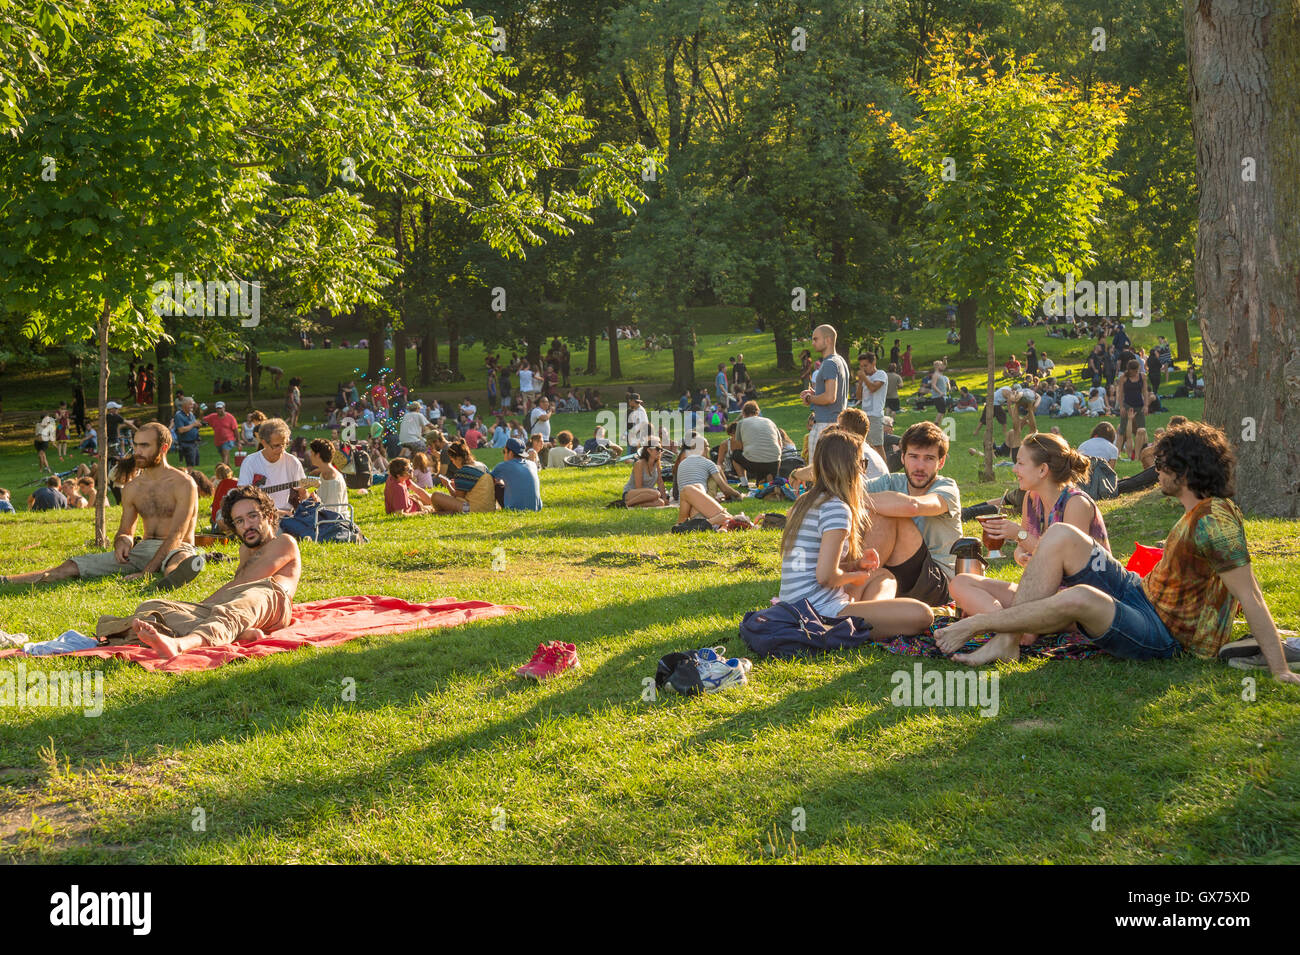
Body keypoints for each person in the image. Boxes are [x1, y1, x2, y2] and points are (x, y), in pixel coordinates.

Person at [935, 423, 1300, 682]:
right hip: (1138, 592)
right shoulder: (1200, 511)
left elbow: (1249, 595)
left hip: (1163, 634)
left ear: (1183, 471)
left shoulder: (1215, 522)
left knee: (1082, 597)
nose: (1154, 472)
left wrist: (1279, 667)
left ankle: (984, 625)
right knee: (1060, 535)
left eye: (1160, 465)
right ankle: (1007, 640)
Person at [95, 487, 301, 658]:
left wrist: (204, 607)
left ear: (269, 516)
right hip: (235, 603)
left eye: (252, 516)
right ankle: (238, 634)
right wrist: (200, 609)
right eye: (239, 521)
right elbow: (236, 589)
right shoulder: (245, 550)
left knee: (246, 598)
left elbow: (248, 580)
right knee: (151, 606)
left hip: (270, 597)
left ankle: (181, 644)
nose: (247, 526)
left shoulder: (284, 542)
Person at [3, 423, 203, 590]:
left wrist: (146, 572)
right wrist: (122, 542)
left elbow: (177, 535)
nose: (138, 451)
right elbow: (126, 530)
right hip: (142, 550)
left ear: (164, 448)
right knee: (72, 565)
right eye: (136, 445)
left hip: (177, 548)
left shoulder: (184, 484)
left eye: (145, 446)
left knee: (177, 564)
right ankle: (7, 580)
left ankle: (172, 578)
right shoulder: (132, 487)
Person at [779, 428, 934, 635]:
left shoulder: (803, 503)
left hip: (792, 606)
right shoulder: (836, 508)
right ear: (852, 467)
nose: (864, 470)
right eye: (863, 463)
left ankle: (869, 619)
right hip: (820, 612)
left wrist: (855, 565)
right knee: (922, 614)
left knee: (883, 576)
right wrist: (854, 577)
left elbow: (813, 564)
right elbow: (825, 577)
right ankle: (861, 627)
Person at [949, 432, 1110, 628]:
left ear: (1042, 470)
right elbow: (1021, 550)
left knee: (1021, 605)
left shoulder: (1076, 504)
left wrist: (1019, 534)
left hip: (1078, 603)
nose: (1015, 469)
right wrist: (1021, 556)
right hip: (1041, 595)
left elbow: (1071, 568)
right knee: (960, 583)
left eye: (1020, 463)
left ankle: (1010, 627)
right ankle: (1012, 628)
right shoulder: (1031, 499)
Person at [859, 421, 963, 607]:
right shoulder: (889, 482)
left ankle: (853, 590)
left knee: (889, 514)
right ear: (903, 457)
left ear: (941, 461)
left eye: (929, 458)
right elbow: (838, 493)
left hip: (936, 582)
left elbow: (913, 507)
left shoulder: (947, 487)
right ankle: (860, 607)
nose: (920, 466)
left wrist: (855, 499)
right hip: (893, 574)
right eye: (914, 456)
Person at [238, 418, 308, 514]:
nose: (281, 449)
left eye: (284, 444)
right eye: (276, 445)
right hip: (259, 515)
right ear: (263, 442)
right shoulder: (250, 462)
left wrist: (307, 496)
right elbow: (243, 496)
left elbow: (304, 494)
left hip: (287, 515)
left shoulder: (293, 462)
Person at [801, 324, 850, 459]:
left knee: (816, 472)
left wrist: (810, 398)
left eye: (815, 339)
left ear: (828, 340)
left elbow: (829, 397)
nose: (813, 343)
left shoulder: (829, 363)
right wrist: (815, 393)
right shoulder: (840, 361)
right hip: (837, 423)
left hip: (825, 425)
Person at [673, 443, 748, 528]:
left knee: (696, 487)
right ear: (704, 448)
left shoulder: (683, 463)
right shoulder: (708, 463)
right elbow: (724, 488)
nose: (709, 448)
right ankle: (731, 522)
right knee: (715, 471)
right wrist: (738, 495)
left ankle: (730, 521)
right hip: (699, 508)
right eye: (708, 446)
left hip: (685, 504)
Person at [730, 401, 783, 486]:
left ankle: (744, 483)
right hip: (774, 461)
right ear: (757, 412)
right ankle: (770, 477)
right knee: (760, 484)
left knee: (735, 454)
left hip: (754, 462)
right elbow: (780, 445)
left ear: (743, 413)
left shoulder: (741, 423)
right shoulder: (769, 421)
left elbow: (739, 447)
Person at [491, 438, 542, 511]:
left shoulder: (504, 466)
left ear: (510, 453)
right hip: (536, 508)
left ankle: (492, 508)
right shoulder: (532, 464)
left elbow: (488, 479)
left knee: (496, 484)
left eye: (504, 452)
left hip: (515, 509)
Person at [1116, 359, 1152, 459]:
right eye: (1133, 371)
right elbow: (1120, 393)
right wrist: (1121, 407)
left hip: (1139, 405)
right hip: (1127, 404)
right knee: (1122, 430)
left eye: (1136, 370)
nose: (1135, 373)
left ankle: (1141, 452)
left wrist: (1146, 405)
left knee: (1141, 429)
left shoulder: (1142, 377)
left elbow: (1144, 392)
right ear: (1129, 370)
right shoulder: (1123, 377)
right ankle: (1117, 453)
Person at [856, 352, 889, 459]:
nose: (863, 369)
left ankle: (884, 472)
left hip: (875, 415)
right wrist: (861, 382)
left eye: (865, 365)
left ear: (873, 363)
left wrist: (864, 378)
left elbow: (873, 388)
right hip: (864, 415)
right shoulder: (865, 378)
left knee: (877, 445)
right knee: (865, 445)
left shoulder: (880, 374)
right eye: (861, 366)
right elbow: (858, 397)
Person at [624, 442, 670, 507]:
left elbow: (660, 482)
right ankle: (626, 503)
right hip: (632, 493)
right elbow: (638, 487)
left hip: (649, 494)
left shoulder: (657, 464)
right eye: (657, 449)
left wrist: (665, 498)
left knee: (661, 503)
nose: (660, 451)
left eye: (661, 449)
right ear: (649, 450)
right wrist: (653, 494)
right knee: (656, 494)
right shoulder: (639, 464)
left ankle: (632, 504)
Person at [199, 400, 238, 467]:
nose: (219, 410)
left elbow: (236, 429)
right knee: (223, 456)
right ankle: (228, 470)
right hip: (218, 441)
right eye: (218, 408)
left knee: (225, 454)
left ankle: (222, 470)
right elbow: (202, 420)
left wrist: (238, 441)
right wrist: (202, 412)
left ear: (224, 408)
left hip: (228, 439)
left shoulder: (230, 417)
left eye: (220, 408)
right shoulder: (212, 417)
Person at [170, 397, 202, 467]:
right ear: (185, 405)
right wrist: (193, 424)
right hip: (186, 443)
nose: (192, 406)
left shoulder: (191, 414)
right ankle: (189, 477)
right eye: (190, 404)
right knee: (190, 464)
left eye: (192, 404)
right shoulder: (179, 416)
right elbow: (181, 430)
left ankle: (192, 476)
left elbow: (192, 425)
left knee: (194, 464)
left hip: (194, 442)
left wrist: (197, 425)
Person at [928, 360, 951, 426]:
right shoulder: (935, 375)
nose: (943, 367)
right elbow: (933, 385)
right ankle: (935, 425)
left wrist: (944, 360)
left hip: (941, 396)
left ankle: (938, 426)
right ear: (937, 366)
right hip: (938, 396)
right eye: (941, 365)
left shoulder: (940, 374)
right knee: (941, 411)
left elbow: (945, 365)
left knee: (942, 411)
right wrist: (940, 392)